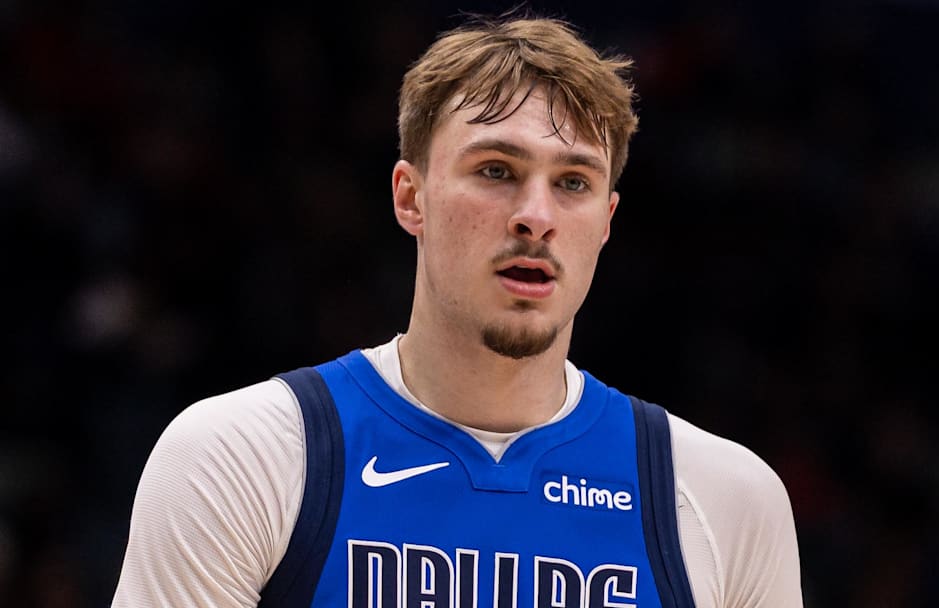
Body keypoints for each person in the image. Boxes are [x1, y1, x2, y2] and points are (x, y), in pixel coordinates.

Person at [112, 14, 802, 608]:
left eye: (573, 182)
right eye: (496, 170)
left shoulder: (724, 500)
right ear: (411, 198)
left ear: (606, 221)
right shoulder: (241, 456)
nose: (536, 217)